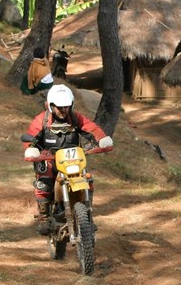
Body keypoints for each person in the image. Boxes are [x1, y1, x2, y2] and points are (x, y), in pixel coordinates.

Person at [22, 84, 113, 234]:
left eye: (66, 106)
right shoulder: (41, 120)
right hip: (49, 159)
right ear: (51, 106)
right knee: (44, 183)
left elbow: (91, 128)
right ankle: (44, 217)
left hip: (73, 160)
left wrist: (101, 139)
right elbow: (31, 137)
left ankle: (87, 217)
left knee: (87, 181)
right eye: (59, 107)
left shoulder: (76, 118)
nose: (63, 110)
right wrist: (31, 148)